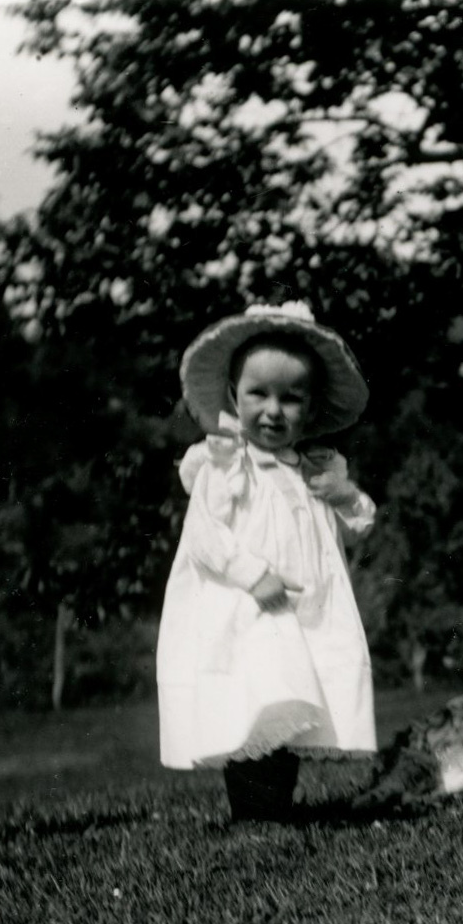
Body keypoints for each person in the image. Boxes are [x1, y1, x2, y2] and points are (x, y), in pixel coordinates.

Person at [157, 303, 377, 820]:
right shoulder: (225, 463)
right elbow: (204, 534)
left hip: (307, 611)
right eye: (258, 394)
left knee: (293, 704)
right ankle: (253, 814)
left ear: (312, 408)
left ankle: (275, 809)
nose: (273, 411)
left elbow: (361, 523)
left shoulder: (317, 469)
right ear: (234, 396)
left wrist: (345, 494)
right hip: (246, 608)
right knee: (258, 700)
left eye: (291, 398)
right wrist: (250, 575)